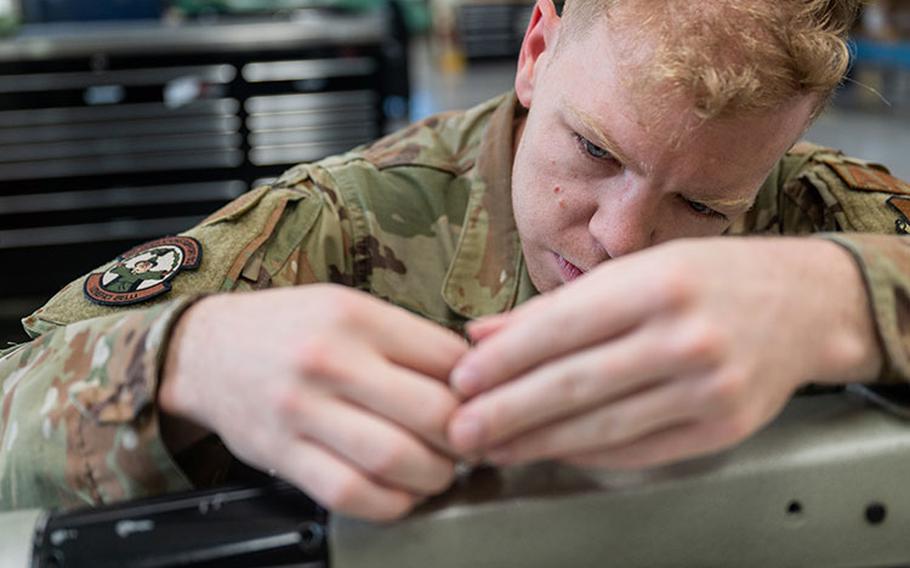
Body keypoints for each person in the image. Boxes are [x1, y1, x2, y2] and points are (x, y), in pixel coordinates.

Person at [1, 0, 908, 522]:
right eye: (594, 152)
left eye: (706, 204)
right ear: (536, 51)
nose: (622, 242)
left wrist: (848, 300)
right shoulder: (336, 220)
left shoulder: (821, 208)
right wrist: (183, 365)